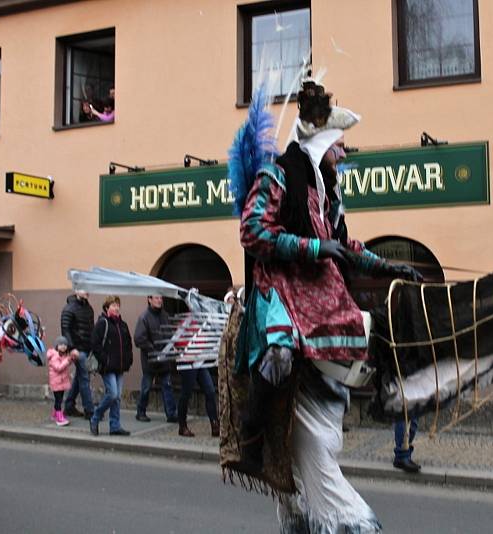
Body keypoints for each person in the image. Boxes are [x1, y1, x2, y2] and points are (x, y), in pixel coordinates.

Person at [232, 78, 420, 532]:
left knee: (367, 333)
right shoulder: (276, 175)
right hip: (281, 285)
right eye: (340, 145)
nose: (344, 153)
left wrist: (387, 264)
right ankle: (254, 434)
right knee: (279, 353)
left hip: (321, 291)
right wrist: (312, 250)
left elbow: (345, 244)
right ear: (321, 144)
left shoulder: (325, 193)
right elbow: (251, 232)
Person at [89, 296, 133, 437]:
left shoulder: (123, 325)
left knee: (118, 397)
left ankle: (115, 426)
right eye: (113, 305)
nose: (116, 308)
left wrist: (128, 360)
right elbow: (95, 344)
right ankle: (95, 417)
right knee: (113, 394)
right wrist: (105, 360)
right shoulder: (103, 323)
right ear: (107, 308)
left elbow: (128, 344)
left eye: (117, 305)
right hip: (107, 367)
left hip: (120, 367)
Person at [134, 295, 177, 423]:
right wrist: (153, 351)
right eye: (156, 298)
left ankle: (171, 414)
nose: (159, 300)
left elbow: (170, 334)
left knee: (167, 386)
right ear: (149, 299)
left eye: (160, 298)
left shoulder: (165, 316)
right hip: (150, 359)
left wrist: (171, 346)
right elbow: (139, 339)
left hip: (164, 359)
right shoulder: (144, 317)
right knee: (146, 387)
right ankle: (140, 411)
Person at [61, 290, 95, 419]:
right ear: (76, 291)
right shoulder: (69, 308)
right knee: (85, 378)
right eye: (83, 288)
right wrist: (71, 348)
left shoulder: (88, 307)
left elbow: (91, 328)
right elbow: (65, 329)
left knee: (79, 377)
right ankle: (90, 411)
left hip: (87, 349)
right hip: (77, 350)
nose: (87, 291)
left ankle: (69, 405)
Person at [177, 366, 219, 438]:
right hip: (188, 362)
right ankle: (182, 425)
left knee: (210, 391)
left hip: (200, 362)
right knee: (186, 394)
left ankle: (214, 423)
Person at [47, 336, 78, 427]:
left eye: (65, 344)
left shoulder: (63, 355)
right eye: (61, 344)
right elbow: (59, 368)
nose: (63, 346)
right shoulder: (54, 356)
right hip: (56, 382)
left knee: (59, 399)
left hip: (61, 382)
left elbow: (66, 364)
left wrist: (71, 358)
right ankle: (59, 418)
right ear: (57, 346)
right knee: (58, 400)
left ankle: (55, 414)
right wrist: (68, 360)